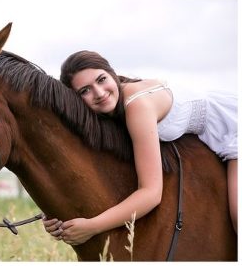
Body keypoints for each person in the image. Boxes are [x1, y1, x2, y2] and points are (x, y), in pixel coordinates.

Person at [42, 50, 237, 245]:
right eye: (85, 90)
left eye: (101, 80)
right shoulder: (106, 113)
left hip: (232, 124)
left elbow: (151, 193)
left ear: (112, 74)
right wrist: (54, 212)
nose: (99, 93)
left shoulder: (137, 106)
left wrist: (92, 227)